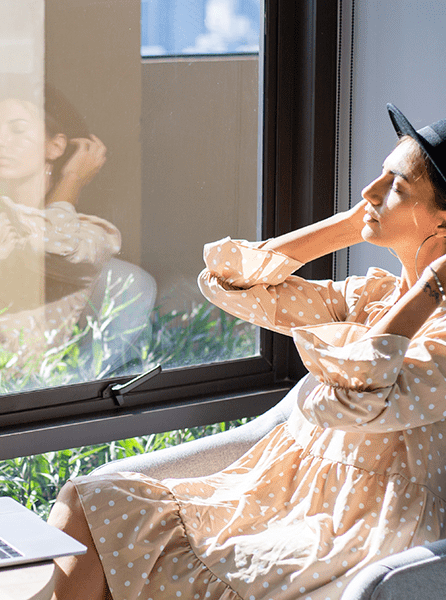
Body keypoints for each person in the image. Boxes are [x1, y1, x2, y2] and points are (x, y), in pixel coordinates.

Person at [48, 103, 446, 600]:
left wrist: (432, 286)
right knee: (86, 501)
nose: (369, 193)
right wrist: (344, 226)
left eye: (396, 187)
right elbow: (229, 283)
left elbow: (354, 395)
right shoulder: (372, 296)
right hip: (284, 491)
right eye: (378, 177)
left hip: (358, 524)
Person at [0, 75, 122, 367]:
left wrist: (72, 180)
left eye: (17, 130)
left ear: (55, 147)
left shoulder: (90, 233)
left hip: (13, 388)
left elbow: (50, 243)